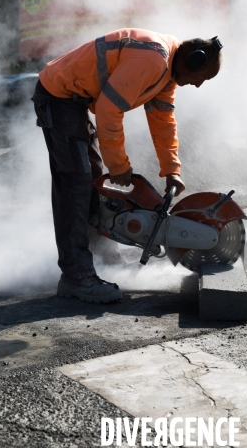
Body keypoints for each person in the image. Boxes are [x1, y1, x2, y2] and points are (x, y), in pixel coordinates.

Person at [31, 28, 223, 304]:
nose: (198, 85)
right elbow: (109, 109)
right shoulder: (154, 59)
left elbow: (163, 123)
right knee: (76, 181)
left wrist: (172, 169)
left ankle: (102, 256)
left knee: (94, 180)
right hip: (59, 96)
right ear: (193, 61)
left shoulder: (168, 73)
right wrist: (119, 165)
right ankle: (76, 276)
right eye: (202, 77)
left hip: (75, 101)